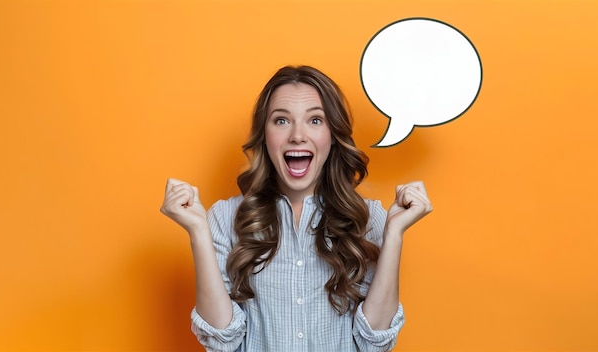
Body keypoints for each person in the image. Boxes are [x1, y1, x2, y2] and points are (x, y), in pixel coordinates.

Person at [160, 65, 433, 352]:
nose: (298, 136)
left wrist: (394, 234)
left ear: (332, 135)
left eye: (315, 120)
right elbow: (221, 341)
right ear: (264, 135)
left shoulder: (369, 219)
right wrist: (197, 231)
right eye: (281, 121)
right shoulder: (225, 218)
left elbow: (375, 341)